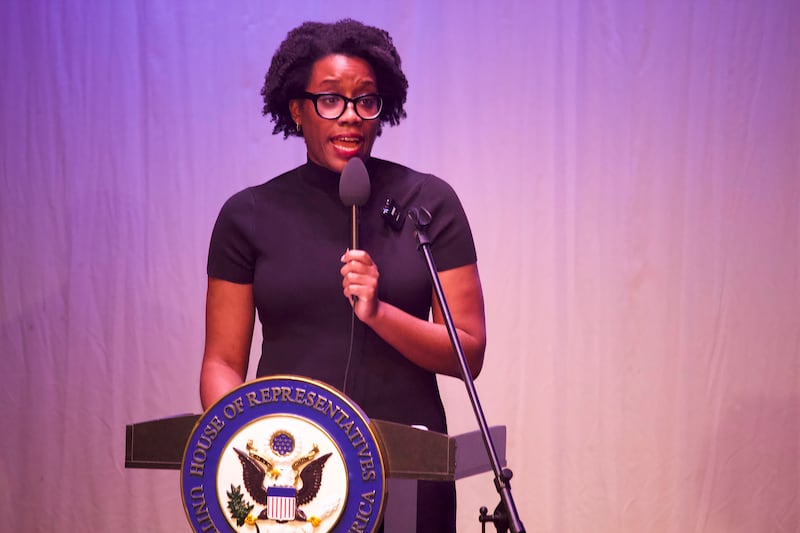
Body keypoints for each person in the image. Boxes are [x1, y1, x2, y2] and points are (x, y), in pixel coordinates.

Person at [200, 19, 486, 532]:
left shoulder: (428, 203)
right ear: (297, 108)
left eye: (366, 101)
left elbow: (468, 350)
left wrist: (379, 313)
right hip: (289, 476)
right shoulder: (248, 215)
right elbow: (222, 362)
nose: (350, 117)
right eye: (330, 100)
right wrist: (246, 446)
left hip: (409, 468)